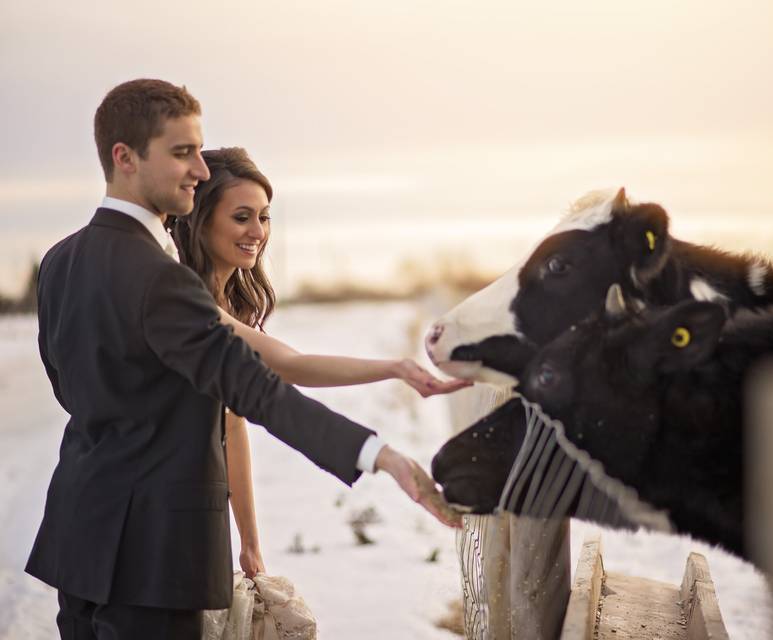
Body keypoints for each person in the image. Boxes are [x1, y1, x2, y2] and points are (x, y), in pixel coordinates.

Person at [26, 78, 461, 640]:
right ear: (125, 158)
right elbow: (257, 391)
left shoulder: (60, 261)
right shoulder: (162, 280)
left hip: (80, 536)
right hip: (155, 558)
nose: (200, 170)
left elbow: (68, 386)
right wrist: (379, 454)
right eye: (182, 153)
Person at [167, 146, 470, 578]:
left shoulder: (221, 304)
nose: (257, 231)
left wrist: (251, 544)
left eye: (264, 216)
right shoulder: (186, 302)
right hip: (159, 517)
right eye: (241, 217)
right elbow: (290, 365)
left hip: (191, 518)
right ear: (200, 221)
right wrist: (395, 368)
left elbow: (230, 425)